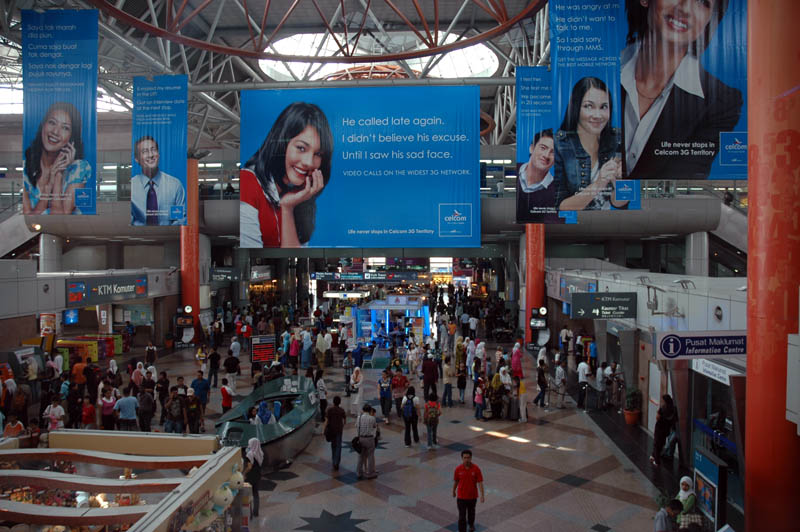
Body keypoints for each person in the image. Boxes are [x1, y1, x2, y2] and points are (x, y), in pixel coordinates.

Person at [621, 0, 742, 181]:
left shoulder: (720, 102)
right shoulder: (598, 70)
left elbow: (681, 185)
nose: (685, 8)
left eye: (703, 2)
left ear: (710, 19)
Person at [240, 102, 334, 248]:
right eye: (301, 148)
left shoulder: (300, 195)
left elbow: (296, 261)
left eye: (318, 154)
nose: (308, 162)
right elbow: (250, 256)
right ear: (282, 144)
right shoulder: (248, 183)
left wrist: (288, 208)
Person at [553, 77, 627, 211]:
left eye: (604, 107)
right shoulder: (559, 145)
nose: (597, 115)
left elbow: (619, 203)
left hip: (606, 225)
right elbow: (560, 207)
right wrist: (599, 183)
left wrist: (622, 183)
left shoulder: (619, 139)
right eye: (589, 106)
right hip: (572, 227)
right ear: (576, 107)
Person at [23, 101, 91, 215]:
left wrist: (58, 175)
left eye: (65, 128)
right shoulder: (25, 168)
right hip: (37, 232)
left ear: (71, 137)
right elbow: (30, 220)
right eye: (52, 122)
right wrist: (49, 185)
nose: (55, 132)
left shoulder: (79, 169)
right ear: (43, 125)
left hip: (67, 231)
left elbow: (60, 217)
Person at [130, 136, 187, 225]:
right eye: (145, 151)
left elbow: (179, 219)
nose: (151, 155)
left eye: (153, 150)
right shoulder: (131, 187)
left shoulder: (175, 185)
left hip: (167, 236)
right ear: (137, 159)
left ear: (158, 154)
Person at [516, 129, 560, 222]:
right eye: (543, 148)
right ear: (532, 148)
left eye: (553, 152)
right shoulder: (513, 169)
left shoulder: (557, 193)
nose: (546, 155)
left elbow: (554, 222)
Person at [452, 449, 484, 532]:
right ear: (462, 458)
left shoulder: (476, 469)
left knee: (471, 513)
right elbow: (456, 481)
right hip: (461, 497)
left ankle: (471, 524)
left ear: (471, 458)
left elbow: (480, 482)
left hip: (472, 497)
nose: (467, 460)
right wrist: (453, 491)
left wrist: (482, 495)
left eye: (468, 458)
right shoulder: (458, 469)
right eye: (465, 458)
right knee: (462, 516)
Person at [651, 394, 678, 467]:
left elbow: (658, 417)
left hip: (660, 428)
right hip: (666, 429)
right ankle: (654, 455)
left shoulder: (663, 408)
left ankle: (656, 461)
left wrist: (657, 412)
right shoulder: (673, 409)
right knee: (661, 442)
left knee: (657, 443)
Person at [355, 404, 378, 480]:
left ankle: (359, 472)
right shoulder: (372, 418)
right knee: (370, 456)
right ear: (370, 410)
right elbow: (374, 426)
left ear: (363, 410)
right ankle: (370, 473)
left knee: (360, 456)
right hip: (369, 439)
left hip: (361, 438)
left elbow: (356, 426)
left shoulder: (359, 418)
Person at [243, 438, 264, 517]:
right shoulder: (260, 453)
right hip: (257, 475)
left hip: (250, 476)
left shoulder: (250, 454)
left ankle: (249, 513)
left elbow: (249, 467)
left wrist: (244, 473)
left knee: (247, 495)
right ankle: (256, 512)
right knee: (256, 494)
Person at [325, 395, 346, 471]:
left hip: (331, 430)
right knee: (338, 446)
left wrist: (324, 429)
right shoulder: (341, 410)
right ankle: (336, 462)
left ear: (333, 402)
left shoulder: (329, 410)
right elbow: (344, 420)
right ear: (339, 402)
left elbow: (326, 421)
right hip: (339, 431)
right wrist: (342, 425)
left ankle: (334, 460)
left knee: (333, 446)